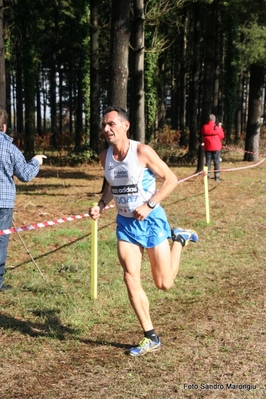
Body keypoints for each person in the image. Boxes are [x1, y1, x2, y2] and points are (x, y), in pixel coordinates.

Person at [88, 106, 198, 357]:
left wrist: (149, 205)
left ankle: (179, 239)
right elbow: (110, 185)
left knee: (164, 283)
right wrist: (101, 205)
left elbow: (171, 179)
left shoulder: (142, 151)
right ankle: (151, 336)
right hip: (126, 225)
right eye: (104, 125)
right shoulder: (104, 157)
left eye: (111, 124)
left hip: (152, 221)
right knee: (130, 276)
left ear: (125, 126)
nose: (106, 129)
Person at [0, 107, 47, 292]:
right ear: (4, 127)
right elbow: (25, 175)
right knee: (1, 241)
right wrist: (36, 161)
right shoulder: (9, 149)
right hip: (3, 203)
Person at [201, 114, 224, 182]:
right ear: (214, 120)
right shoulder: (217, 127)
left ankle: (207, 176)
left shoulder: (204, 127)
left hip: (207, 147)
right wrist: (220, 127)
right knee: (216, 162)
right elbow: (222, 136)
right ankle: (217, 177)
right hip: (216, 147)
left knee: (207, 161)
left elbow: (202, 135)